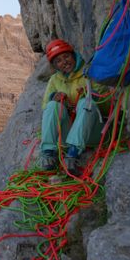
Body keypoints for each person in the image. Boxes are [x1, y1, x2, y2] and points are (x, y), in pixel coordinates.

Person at [40, 39, 109, 176]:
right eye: (58, 61)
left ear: (73, 55)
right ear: (55, 66)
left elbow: (107, 104)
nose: (64, 62)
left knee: (85, 102)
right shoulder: (55, 80)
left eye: (66, 56)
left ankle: (73, 156)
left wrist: (92, 96)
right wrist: (54, 97)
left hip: (93, 131)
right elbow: (45, 108)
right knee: (53, 105)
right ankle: (48, 154)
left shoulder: (88, 72)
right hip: (69, 133)